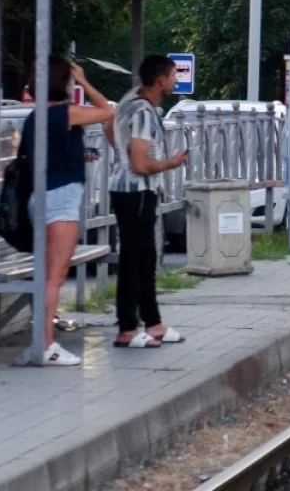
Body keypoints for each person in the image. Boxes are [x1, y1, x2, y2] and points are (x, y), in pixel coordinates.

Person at [20, 57, 114, 366]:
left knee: (48, 276)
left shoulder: (35, 118)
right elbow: (108, 111)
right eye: (71, 81)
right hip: (62, 203)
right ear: (64, 83)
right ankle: (46, 345)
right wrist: (86, 82)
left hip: (39, 198)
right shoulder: (65, 113)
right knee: (54, 278)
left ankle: (42, 341)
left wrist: (80, 154)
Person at [107, 55, 188, 348]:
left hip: (129, 190)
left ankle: (153, 324)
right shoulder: (143, 113)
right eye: (172, 76)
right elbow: (141, 164)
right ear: (160, 81)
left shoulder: (130, 102)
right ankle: (127, 328)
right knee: (134, 260)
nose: (175, 81)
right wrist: (170, 163)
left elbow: (108, 125)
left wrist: (121, 155)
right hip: (136, 191)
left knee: (145, 257)